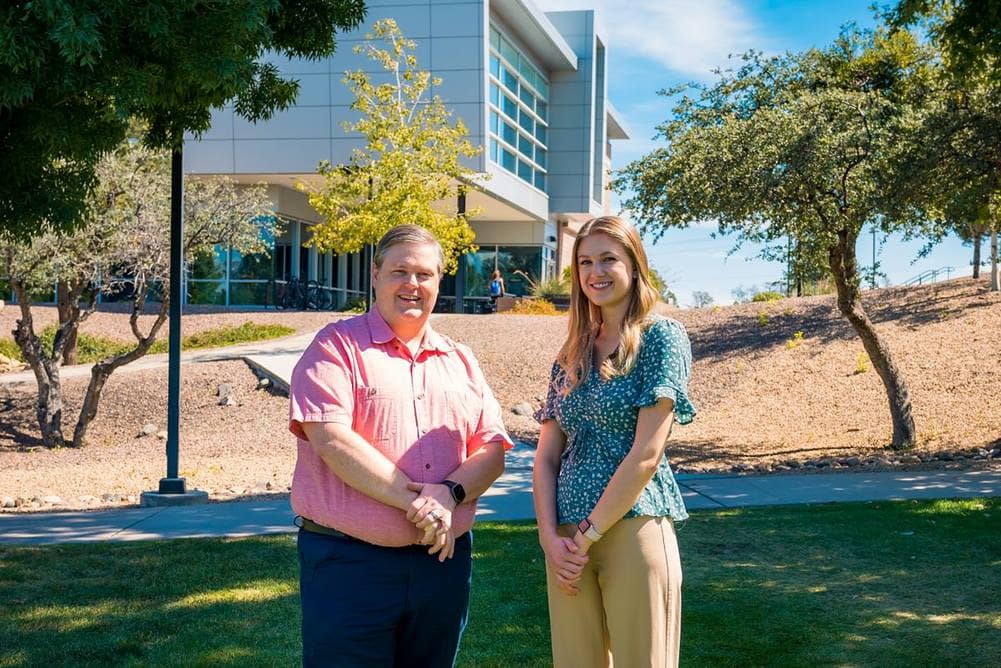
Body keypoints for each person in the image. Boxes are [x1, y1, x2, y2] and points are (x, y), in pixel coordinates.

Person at [289, 224, 513, 667]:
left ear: (439, 282)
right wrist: (426, 508)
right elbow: (331, 439)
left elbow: (492, 449)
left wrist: (449, 495)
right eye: (400, 271)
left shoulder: (460, 359)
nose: (413, 284)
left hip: (442, 566)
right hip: (348, 565)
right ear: (375, 275)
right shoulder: (335, 347)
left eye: (425, 274)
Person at [532, 215, 696, 667]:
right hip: (566, 542)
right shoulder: (571, 353)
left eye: (608, 259)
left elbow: (646, 453)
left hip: (631, 528)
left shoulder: (660, 337)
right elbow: (546, 456)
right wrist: (550, 537)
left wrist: (587, 535)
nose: (595, 272)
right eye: (585, 262)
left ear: (634, 263)